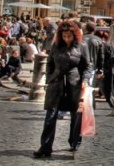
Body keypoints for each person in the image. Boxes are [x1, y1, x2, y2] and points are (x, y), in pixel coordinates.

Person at [34, 21, 92, 158]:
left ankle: (74, 143)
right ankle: (45, 147)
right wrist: (49, 78)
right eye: (64, 36)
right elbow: (49, 63)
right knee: (50, 115)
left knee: (75, 116)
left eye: (69, 36)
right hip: (56, 83)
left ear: (75, 35)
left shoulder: (82, 46)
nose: (66, 39)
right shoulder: (56, 45)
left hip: (74, 84)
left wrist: (84, 81)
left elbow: (88, 66)